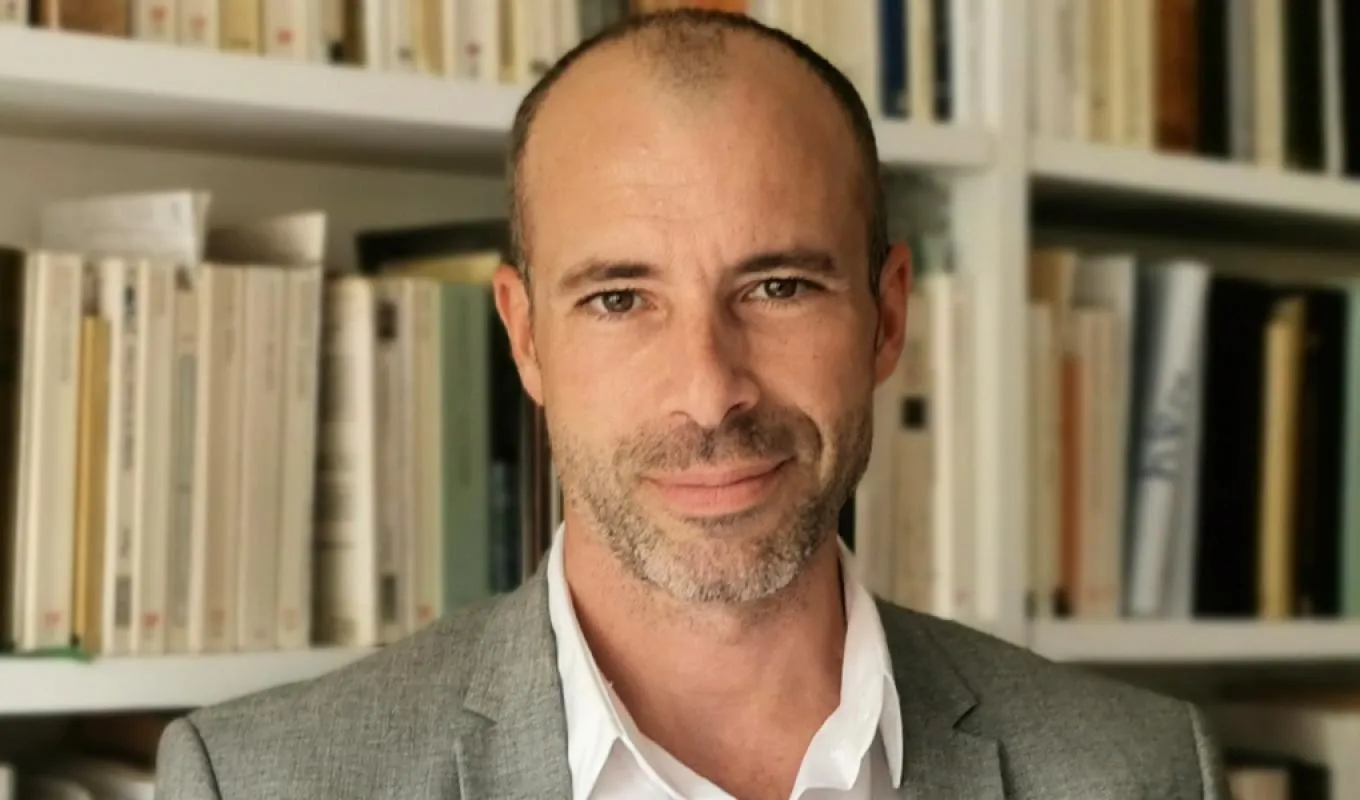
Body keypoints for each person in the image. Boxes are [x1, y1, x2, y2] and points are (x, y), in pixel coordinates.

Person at [156, 9, 1229, 799]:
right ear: (526, 337)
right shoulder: (255, 783)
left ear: (888, 315)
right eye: (620, 298)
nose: (710, 391)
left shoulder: (1138, 771)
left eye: (779, 287)